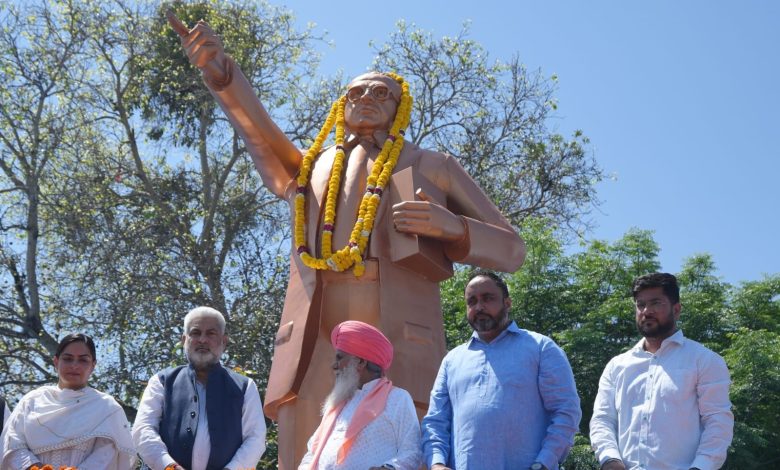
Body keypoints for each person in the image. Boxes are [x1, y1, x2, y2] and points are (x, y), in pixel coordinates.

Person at [167, 13, 526, 468]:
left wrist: (451, 227)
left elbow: (512, 250)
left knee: (402, 435)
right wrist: (223, 77)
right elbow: (262, 138)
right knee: (306, 441)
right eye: (356, 92)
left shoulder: (431, 165)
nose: (367, 99)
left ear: (400, 107)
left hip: (397, 324)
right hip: (317, 325)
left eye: (382, 93)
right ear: (342, 105)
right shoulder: (313, 167)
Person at [421, 271, 581, 470]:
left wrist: (544, 463)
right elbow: (436, 421)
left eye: (488, 298)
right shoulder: (452, 360)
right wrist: (436, 463)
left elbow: (566, 411)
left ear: (507, 303)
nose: (479, 307)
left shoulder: (540, 348)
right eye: (472, 301)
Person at [589, 273, 733, 470]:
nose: (646, 311)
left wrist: (700, 467)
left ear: (677, 309)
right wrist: (610, 460)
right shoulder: (617, 366)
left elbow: (718, 423)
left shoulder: (705, 361)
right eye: (640, 305)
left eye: (656, 303)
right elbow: (603, 419)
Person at [132, 306, 267, 470]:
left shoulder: (244, 387)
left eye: (211, 333)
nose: (202, 340)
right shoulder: (162, 381)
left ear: (224, 341)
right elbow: (142, 430)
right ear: (184, 340)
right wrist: (168, 466)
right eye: (195, 333)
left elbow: (255, 438)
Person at [0, 333, 136, 470]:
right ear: (56, 362)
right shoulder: (31, 401)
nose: (74, 366)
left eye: (83, 360)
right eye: (68, 359)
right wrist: (36, 467)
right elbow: (12, 443)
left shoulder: (106, 407)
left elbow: (107, 455)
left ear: (93, 366)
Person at [299, 320, 422, 469]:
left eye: (339, 357)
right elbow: (312, 452)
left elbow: (413, 451)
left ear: (361, 362)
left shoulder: (397, 399)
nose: (334, 365)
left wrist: (389, 468)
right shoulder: (338, 404)